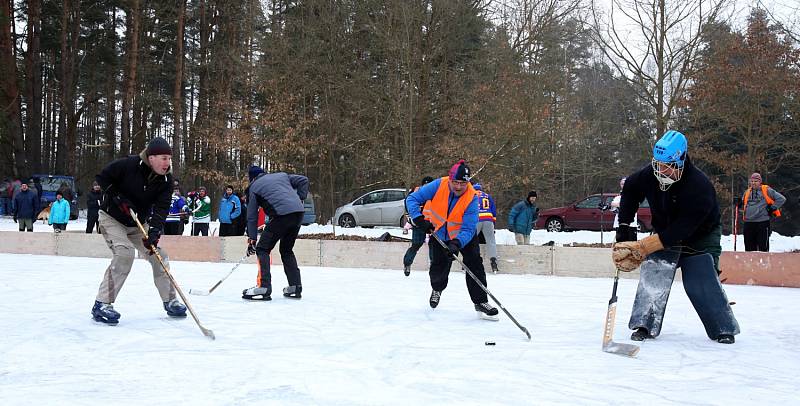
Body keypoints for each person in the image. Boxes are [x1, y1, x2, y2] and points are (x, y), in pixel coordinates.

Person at [612, 130, 739, 344]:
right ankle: (644, 325)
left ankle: (723, 328)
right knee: (655, 273)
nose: (661, 170)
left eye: (667, 166)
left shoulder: (699, 186)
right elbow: (631, 189)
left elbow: (684, 228)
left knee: (699, 280)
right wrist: (624, 224)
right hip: (664, 228)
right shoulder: (650, 174)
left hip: (700, 234)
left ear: (681, 160)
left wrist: (645, 246)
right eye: (658, 164)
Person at [90, 136, 187, 325]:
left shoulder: (166, 180)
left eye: (169, 158)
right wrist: (117, 197)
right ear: (151, 158)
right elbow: (102, 178)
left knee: (158, 255)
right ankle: (102, 304)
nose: (168, 163)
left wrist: (155, 232)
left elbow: (161, 208)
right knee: (124, 253)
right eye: (163, 158)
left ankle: (170, 300)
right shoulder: (128, 164)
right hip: (112, 218)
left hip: (137, 223)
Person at [406, 160, 499, 320]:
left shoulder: (472, 197)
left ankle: (480, 301)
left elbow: (469, 228)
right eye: (455, 182)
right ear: (450, 179)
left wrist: (457, 243)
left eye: (462, 183)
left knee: (475, 264)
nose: (458, 187)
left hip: (463, 237)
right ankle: (437, 289)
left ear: (468, 182)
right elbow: (412, 199)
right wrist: (419, 219)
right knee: (438, 267)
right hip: (439, 233)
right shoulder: (438, 185)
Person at [242, 165, 309, 301]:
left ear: (251, 178)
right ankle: (295, 286)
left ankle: (264, 286)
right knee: (286, 250)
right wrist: (300, 197)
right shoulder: (282, 176)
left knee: (262, 249)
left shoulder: (253, 188)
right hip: (298, 213)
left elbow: (252, 216)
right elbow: (303, 180)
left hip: (281, 216)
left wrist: (252, 238)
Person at [741, 172, 785, 252]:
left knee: (763, 248)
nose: (753, 183)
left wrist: (772, 208)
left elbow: (781, 199)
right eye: (752, 181)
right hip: (748, 222)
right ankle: (750, 264)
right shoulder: (747, 192)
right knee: (749, 249)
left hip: (762, 222)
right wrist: (739, 203)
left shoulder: (766, 190)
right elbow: (744, 205)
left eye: (756, 181)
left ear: (760, 181)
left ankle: (764, 264)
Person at [402, 176, 434, 276]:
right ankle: (407, 264)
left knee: (433, 246)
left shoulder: (435, 193)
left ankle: (433, 267)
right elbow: (408, 203)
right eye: (426, 184)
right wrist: (412, 216)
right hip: (419, 223)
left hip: (431, 223)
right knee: (416, 244)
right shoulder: (416, 193)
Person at [474, 183, 500, 274]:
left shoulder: (472, 195)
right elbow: (493, 209)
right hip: (488, 218)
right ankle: (494, 262)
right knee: (491, 241)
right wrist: (493, 222)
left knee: (471, 241)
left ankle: (468, 261)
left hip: (477, 219)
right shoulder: (487, 196)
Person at [611, 177, 638, 242]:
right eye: (622, 184)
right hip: (619, 224)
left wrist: (618, 205)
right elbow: (613, 207)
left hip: (631, 224)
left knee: (632, 245)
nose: (624, 185)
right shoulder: (618, 197)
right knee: (620, 244)